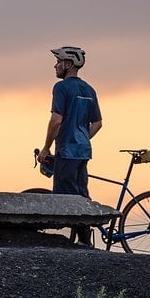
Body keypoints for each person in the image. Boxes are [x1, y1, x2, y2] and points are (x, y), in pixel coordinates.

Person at [37, 45, 103, 245]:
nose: (55, 66)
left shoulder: (61, 88)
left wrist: (46, 148)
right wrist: (82, 138)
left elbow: (56, 121)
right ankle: (85, 241)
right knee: (80, 195)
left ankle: (76, 242)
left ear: (68, 64)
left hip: (66, 149)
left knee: (64, 198)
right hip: (83, 151)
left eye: (58, 62)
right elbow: (98, 123)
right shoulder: (89, 89)